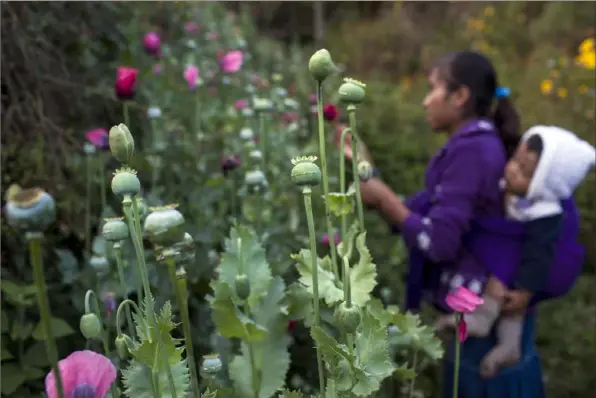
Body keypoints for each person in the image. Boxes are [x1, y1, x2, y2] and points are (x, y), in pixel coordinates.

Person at [337, 50, 555, 398]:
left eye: (432, 89)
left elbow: (439, 242)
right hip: (478, 316)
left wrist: (383, 199)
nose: (425, 102)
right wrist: (369, 172)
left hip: (485, 326)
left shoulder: (473, 151)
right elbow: (430, 215)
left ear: (459, 96)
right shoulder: (475, 145)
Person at [435, 125, 595, 378]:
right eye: (514, 161)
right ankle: (502, 340)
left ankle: (490, 329)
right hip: (516, 251)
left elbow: (539, 255)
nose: (511, 169)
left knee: (507, 290)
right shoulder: (515, 189)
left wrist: (524, 289)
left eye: (523, 171)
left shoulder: (546, 214)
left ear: (545, 184)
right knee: (501, 277)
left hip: (530, 267)